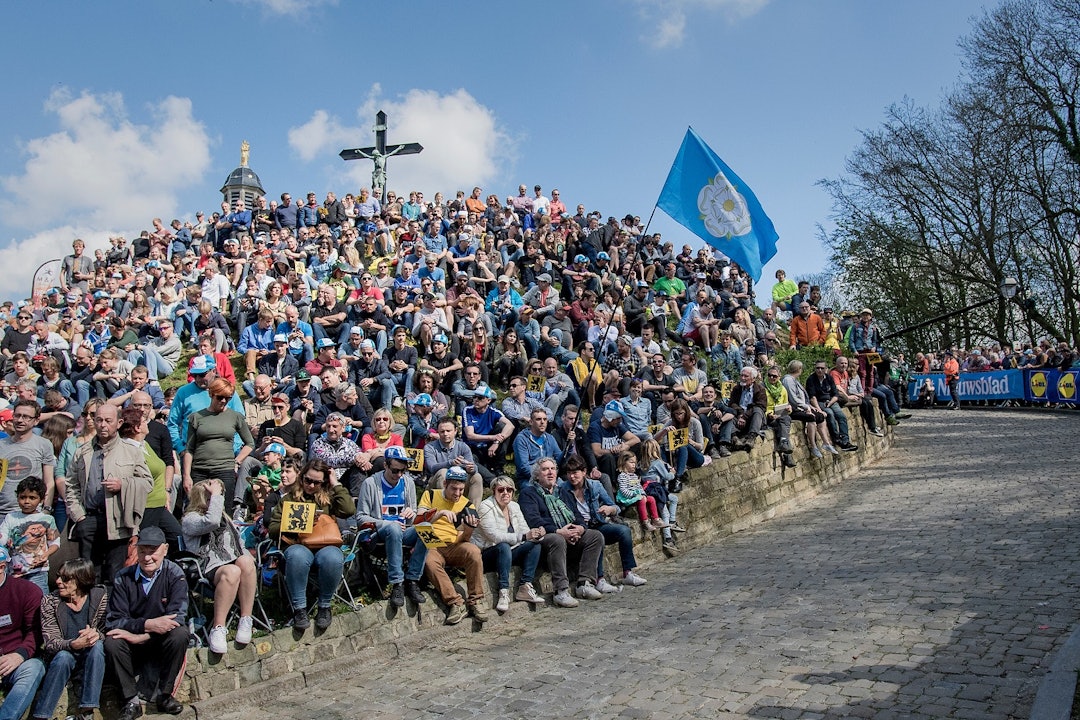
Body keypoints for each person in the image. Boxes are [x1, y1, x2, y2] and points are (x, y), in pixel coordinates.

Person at [104, 525, 188, 719]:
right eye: (143, 551)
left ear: (165, 550)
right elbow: (115, 619)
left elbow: (177, 616)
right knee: (112, 641)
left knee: (180, 634)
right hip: (133, 640)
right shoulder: (123, 577)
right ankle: (131, 701)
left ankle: (165, 695)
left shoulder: (175, 574)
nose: (148, 557)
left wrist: (143, 635)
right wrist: (147, 625)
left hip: (160, 639)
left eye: (153, 552)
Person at [67, 403, 153, 583]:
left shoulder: (131, 452)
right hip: (89, 519)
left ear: (119, 422)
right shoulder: (82, 452)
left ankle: (112, 610)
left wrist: (123, 484)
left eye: (108, 420)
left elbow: (147, 482)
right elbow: (71, 485)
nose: (102, 425)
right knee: (88, 574)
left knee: (114, 574)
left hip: (118, 520)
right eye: (98, 420)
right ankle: (91, 609)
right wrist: (79, 515)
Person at [268, 460, 355, 631]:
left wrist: (335, 483)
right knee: (298, 556)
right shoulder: (289, 498)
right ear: (302, 477)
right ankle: (299, 609)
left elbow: (349, 509)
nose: (311, 485)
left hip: (324, 543)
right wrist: (297, 522)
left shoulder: (328, 497)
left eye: (317, 482)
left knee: (333, 557)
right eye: (308, 480)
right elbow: (272, 529)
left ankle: (324, 606)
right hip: (297, 543)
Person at [181, 479, 257, 655]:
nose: (218, 501)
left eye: (218, 497)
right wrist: (215, 494)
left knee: (245, 561)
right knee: (232, 571)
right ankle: (218, 627)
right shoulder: (190, 519)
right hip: (207, 566)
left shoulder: (225, 517)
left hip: (233, 562)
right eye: (211, 498)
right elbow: (212, 521)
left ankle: (246, 618)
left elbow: (239, 544)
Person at [517, 458, 604, 606]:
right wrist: (559, 531)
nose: (550, 472)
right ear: (537, 475)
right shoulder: (528, 493)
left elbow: (577, 515)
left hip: (569, 536)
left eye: (553, 469)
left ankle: (584, 584)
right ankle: (561, 591)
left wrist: (579, 529)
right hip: (545, 540)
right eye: (545, 469)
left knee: (595, 536)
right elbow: (534, 521)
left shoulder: (562, 492)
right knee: (556, 539)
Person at [31, 557, 107, 720]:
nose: (58, 581)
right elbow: (50, 642)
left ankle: (87, 710)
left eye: (65, 579)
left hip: (91, 656)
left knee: (97, 645)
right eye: (58, 576)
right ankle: (41, 715)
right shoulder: (50, 601)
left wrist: (95, 634)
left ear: (80, 580)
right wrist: (74, 644)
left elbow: (106, 631)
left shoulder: (99, 595)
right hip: (64, 653)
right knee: (63, 657)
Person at [558, 454, 646, 592]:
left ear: (584, 472)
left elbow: (615, 507)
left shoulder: (595, 486)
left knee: (624, 531)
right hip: (580, 528)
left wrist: (609, 509)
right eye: (569, 473)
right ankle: (599, 579)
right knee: (596, 537)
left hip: (596, 522)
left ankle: (628, 572)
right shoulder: (563, 489)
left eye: (575, 473)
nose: (572, 477)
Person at [354, 447, 428, 608]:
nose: (399, 475)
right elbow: (361, 517)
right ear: (385, 466)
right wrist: (387, 524)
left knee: (426, 528)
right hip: (379, 532)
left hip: (404, 530)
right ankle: (397, 583)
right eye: (395, 470)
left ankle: (413, 580)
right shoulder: (371, 483)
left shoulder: (407, 482)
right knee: (394, 528)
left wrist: (412, 513)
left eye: (403, 470)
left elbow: (414, 513)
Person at [416, 466, 487, 625]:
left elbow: (465, 539)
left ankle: (476, 600)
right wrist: (438, 514)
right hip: (432, 543)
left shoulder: (467, 504)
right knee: (429, 561)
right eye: (454, 488)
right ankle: (456, 603)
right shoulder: (431, 495)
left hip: (454, 543)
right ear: (445, 484)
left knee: (474, 552)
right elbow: (419, 522)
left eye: (461, 490)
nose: (457, 493)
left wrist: (469, 529)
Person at [472, 475, 544, 612]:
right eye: (501, 490)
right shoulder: (485, 507)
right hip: (488, 552)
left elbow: (524, 530)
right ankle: (503, 592)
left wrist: (536, 535)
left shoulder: (514, 506)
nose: (505, 493)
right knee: (503, 546)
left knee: (534, 545)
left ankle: (525, 586)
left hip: (509, 552)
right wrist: (523, 536)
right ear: (494, 491)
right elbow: (494, 536)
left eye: (509, 490)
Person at [182, 377, 255, 510]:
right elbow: (189, 449)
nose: (223, 401)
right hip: (200, 470)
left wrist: (237, 461)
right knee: (198, 509)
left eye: (228, 398)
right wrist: (186, 475)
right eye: (220, 397)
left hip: (224, 470)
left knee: (223, 511)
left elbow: (250, 443)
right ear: (211, 394)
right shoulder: (197, 417)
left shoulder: (235, 417)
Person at [0, 545, 45, 720]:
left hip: (15, 659)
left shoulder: (27, 591)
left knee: (34, 667)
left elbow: (35, 632)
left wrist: (20, 654)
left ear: (2, 567)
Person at [0, 400, 56, 527]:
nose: (20, 420)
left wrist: (46, 509)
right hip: (3, 513)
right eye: (17, 415)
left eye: (26, 417)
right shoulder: (1, 445)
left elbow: (49, 481)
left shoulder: (44, 445)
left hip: (32, 513)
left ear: (36, 421)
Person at [0, 477, 60, 593]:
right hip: (14, 572)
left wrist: (46, 554)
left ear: (41, 500)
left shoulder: (47, 519)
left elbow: (55, 542)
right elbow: (3, 539)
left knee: (39, 600)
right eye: (23, 497)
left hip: (37, 571)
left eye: (32, 498)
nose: (27, 501)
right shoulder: (10, 517)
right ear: (17, 497)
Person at [423, 419, 484, 506]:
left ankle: (472, 513)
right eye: (442, 431)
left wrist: (471, 469)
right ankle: (444, 509)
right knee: (443, 472)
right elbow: (432, 468)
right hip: (436, 484)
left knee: (476, 477)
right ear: (438, 432)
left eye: (448, 431)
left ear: (455, 431)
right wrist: (451, 463)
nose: (445, 434)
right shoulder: (429, 447)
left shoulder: (463, 447)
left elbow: (474, 468)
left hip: (459, 484)